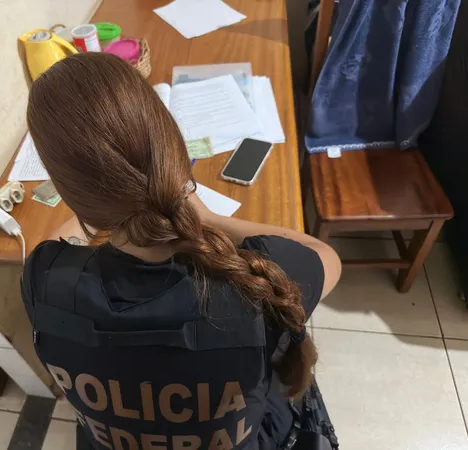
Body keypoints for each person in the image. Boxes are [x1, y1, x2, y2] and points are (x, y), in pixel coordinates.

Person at [21, 53, 341, 450]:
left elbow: (54, 244)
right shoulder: (256, 283)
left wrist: (100, 204)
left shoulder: (44, 279)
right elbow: (323, 253)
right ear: (172, 144)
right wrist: (208, 217)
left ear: (67, 190)